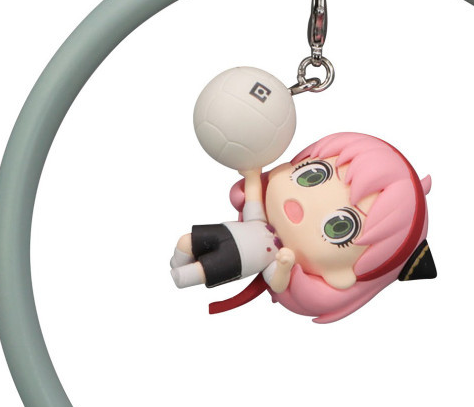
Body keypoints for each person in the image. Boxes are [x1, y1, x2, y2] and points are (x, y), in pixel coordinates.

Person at [170, 132, 435, 323]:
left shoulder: (276, 260)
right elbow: (252, 196)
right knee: (186, 242)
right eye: (312, 175)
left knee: (205, 270)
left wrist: (285, 267)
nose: (299, 206)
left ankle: (183, 277)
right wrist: (252, 174)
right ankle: (178, 263)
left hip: (241, 257)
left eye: (340, 227)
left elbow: (278, 281)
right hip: (233, 235)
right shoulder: (256, 217)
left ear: (341, 275)